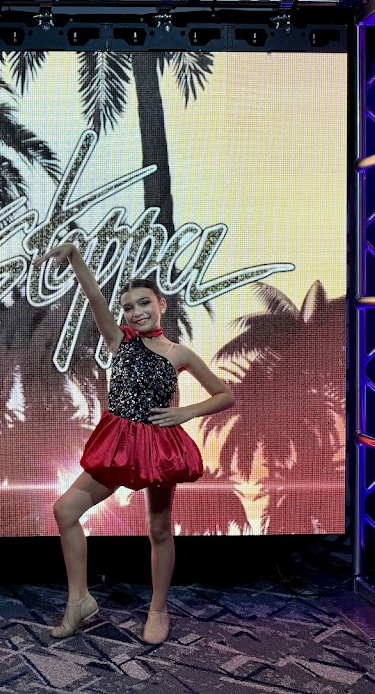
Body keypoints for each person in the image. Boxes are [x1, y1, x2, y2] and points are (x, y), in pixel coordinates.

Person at [32, 243, 235, 645]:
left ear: (161, 304)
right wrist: (74, 255)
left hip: (158, 446)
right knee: (65, 510)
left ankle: (158, 610)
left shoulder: (179, 353)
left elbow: (224, 395)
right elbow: (93, 296)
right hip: (119, 443)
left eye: (144, 303)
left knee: (158, 528)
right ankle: (79, 601)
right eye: (128, 307)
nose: (136, 312)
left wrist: (184, 412)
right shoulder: (119, 340)